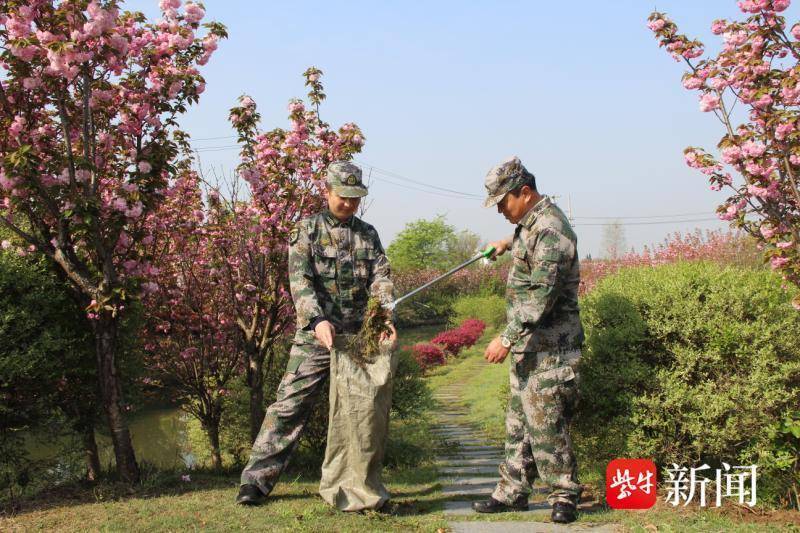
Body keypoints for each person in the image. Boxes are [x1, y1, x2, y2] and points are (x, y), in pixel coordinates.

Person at [236, 160, 397, 506]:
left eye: (355, 198)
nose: (350, 204)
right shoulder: (306, 230)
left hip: (358, 339)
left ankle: (357, 482)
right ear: (326, 192)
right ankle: (256, 481)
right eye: (343, 197)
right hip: (316, 336)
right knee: (290, 405)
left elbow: (381, 277)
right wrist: (316, 320)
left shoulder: (368, 234)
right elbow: (300, 281)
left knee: (362, 411)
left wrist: (383, 315)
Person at [472, 156, 584, 524]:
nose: (502, 211)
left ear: (524, 192)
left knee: (547, 423)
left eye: (504, 203)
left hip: (552, 347)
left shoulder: (550, 227)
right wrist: (505, 243)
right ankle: (512, 492)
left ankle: (564, 495)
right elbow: (529, 242)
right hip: (530, 347)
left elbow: (542, 294)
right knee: (519, 423)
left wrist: (505, 338)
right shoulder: (530, 223)